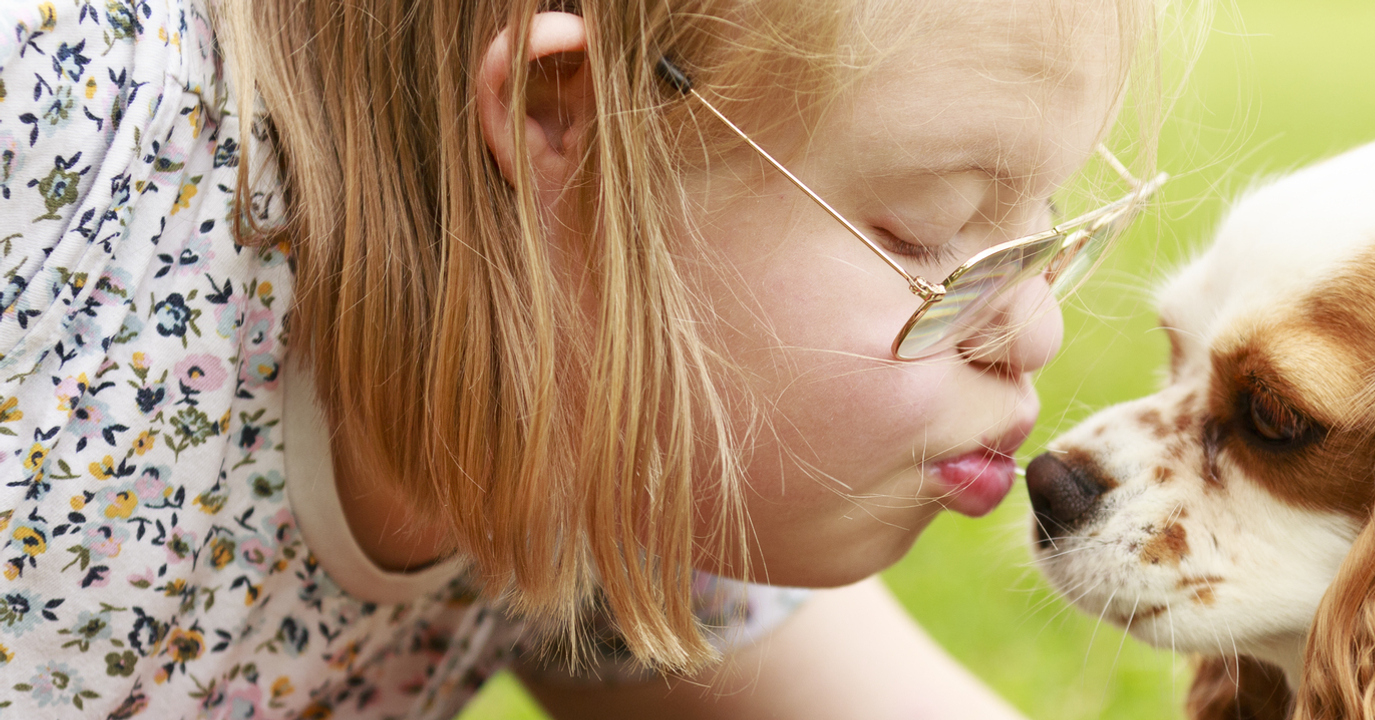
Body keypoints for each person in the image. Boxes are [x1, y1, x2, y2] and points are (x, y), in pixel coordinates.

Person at [0, 0, 1168, 717]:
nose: (1037, 331)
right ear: (573, 120)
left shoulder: (618, 460)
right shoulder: (67, 131)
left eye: (1051, 233)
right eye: (926, 231)